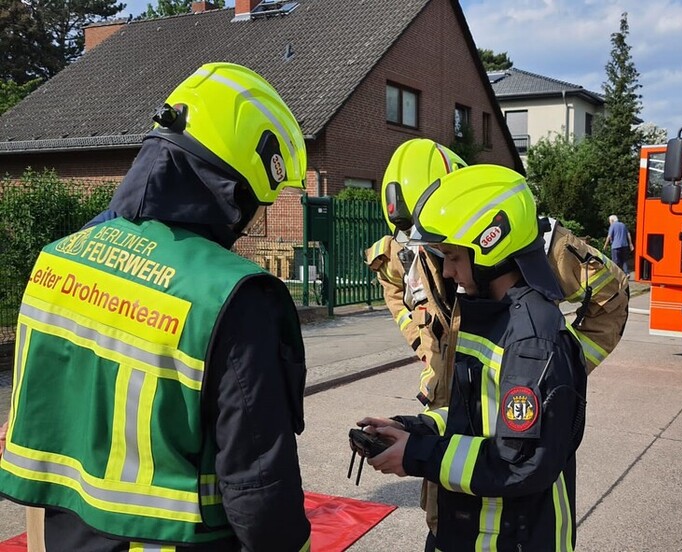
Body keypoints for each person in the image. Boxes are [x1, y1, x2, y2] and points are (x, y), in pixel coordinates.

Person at [0, 62, 311, 551]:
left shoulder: (58, 259)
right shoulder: (233, 296)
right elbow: (257, 487)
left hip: (66, 537)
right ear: (235, 187)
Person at [364, 138, 628, 534]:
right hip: (457, 418)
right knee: (445, 518)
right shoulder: (406, 250)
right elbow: (390, 279)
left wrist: (558, 367)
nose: (440, 265)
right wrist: (427, 353)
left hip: (512, 454)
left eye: (448, 253)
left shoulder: (537, 249)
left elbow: (612, 296)